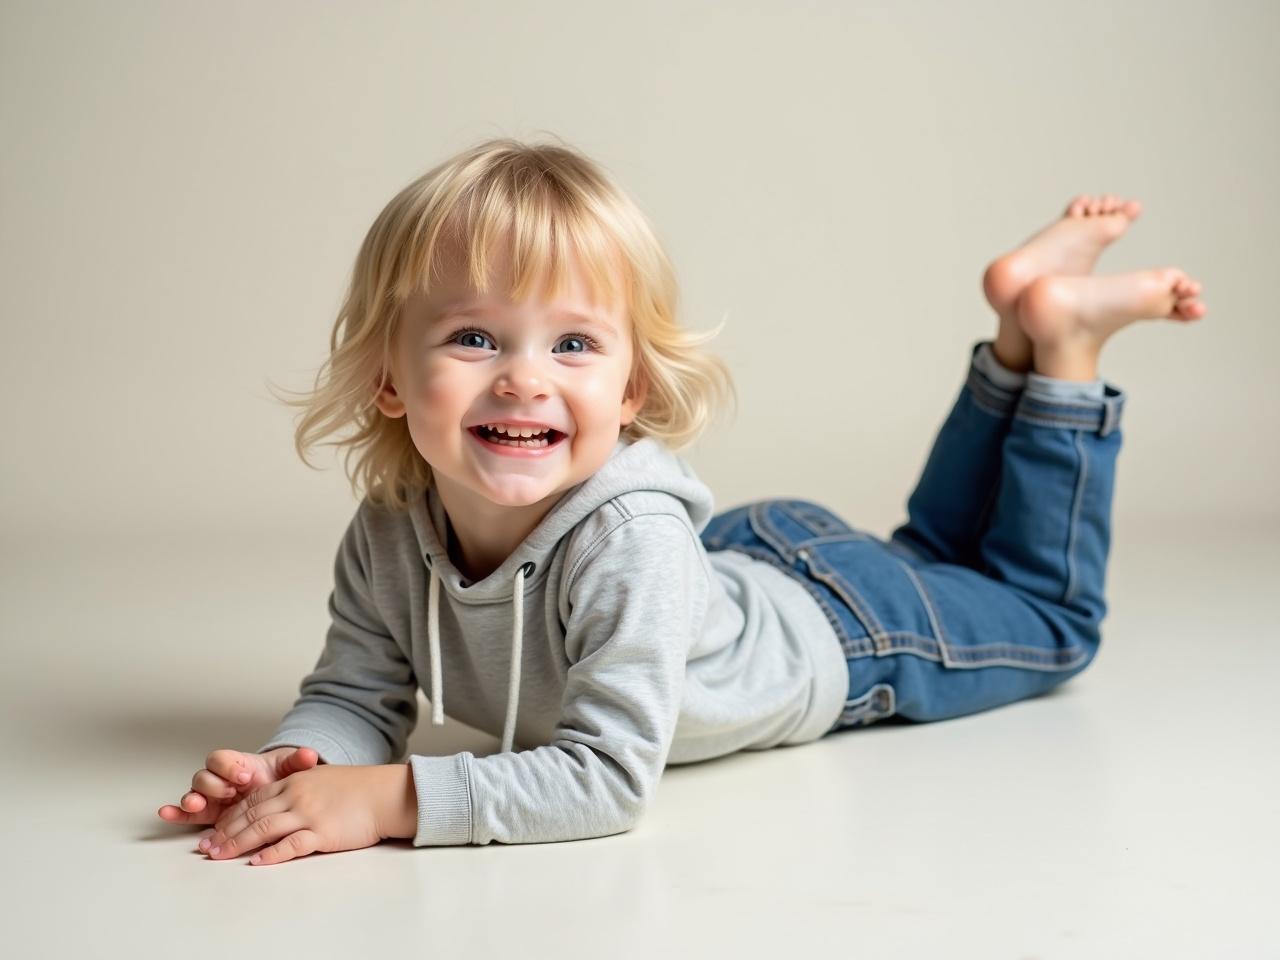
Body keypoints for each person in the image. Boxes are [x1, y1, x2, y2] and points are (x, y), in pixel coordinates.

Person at [156, 139, 1206, 863]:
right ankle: (1020, 325)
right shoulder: (388, 523)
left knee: (1041, 615)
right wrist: (299, 764)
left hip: (841, 634)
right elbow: (355, 694)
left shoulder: (627, 540)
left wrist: (388, 801)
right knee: (928, 545)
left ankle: (1055, 343)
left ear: (632, 391)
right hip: (740, 564)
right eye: (474, 337)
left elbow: (607, 779)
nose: (524, 378)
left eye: (572, 344)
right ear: (388, 377)